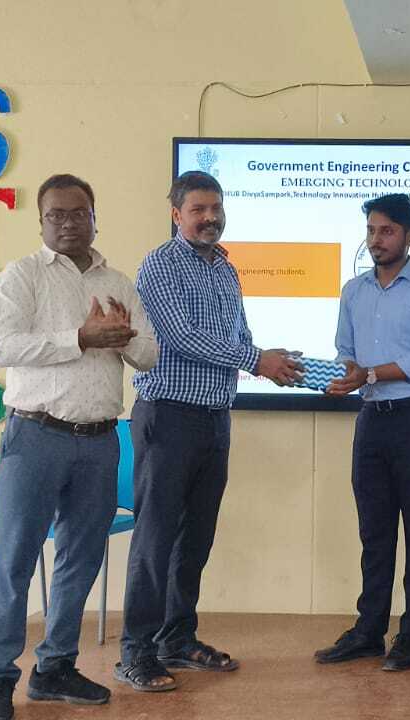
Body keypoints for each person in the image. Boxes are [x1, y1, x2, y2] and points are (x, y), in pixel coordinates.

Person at [0, 174, 158, 720]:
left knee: (80, 560)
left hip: (100, 440)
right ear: (41, 221)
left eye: (79, 213)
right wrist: (80, 337)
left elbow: (149, 356)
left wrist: (123, 337)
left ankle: (55, 667)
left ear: (95, 218)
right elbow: (5, 347)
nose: (69, 223)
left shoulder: (119, 283)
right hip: (35, 436)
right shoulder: (21, 276)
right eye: (56, 214)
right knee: (14, 558)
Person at [116, 171, 303, 691]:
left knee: (195, 538)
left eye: (216, 208)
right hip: (168, 418)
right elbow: (179, 336)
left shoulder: (225, 268)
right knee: (155, 540)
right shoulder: (160, 265)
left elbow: (239, 334)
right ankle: (135, 653)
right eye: (198, 209)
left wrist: (272, 362)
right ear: (177, 214)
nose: (210, 217)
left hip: (215, 419)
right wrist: (255, 359)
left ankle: (176, 639)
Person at [312, 193, 410, 672]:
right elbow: (344, 350)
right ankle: (369, 631)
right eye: (372, 230)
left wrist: (367, 373)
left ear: (409, 236)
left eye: (387, 231)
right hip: (371, 419)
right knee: (374, 531)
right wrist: (340, 374)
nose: (377, 239)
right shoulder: (354, 291)